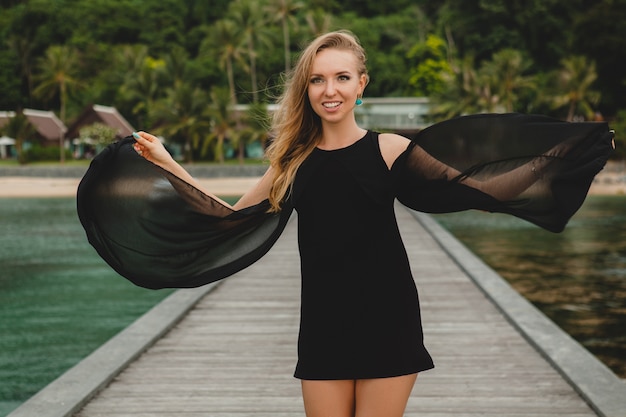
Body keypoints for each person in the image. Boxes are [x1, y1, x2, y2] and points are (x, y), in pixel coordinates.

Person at [77, 31, 614, 417]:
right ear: (306, 90)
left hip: (389, 316)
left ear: (361, 85)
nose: (328, 89)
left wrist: (571, 154)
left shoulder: (388, 149)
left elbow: (476, 181)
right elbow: (231, 216)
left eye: (340, 77)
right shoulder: (292, 161)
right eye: (316, 79)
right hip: (324, 323)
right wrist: (169, 164)